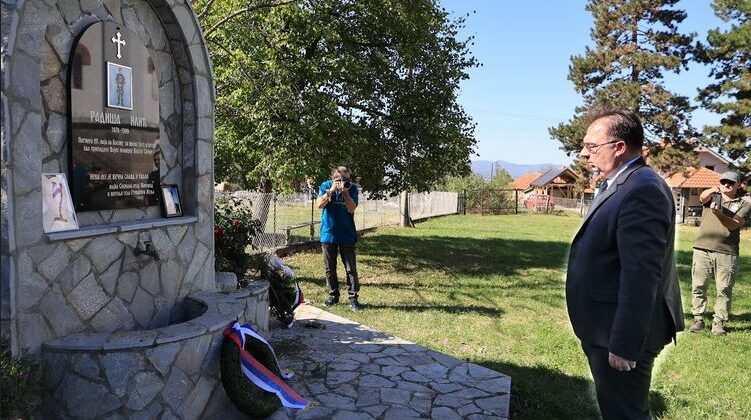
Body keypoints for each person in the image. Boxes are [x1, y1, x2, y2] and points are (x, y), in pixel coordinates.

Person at [566, 107, 684, 419]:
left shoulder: (642, 189)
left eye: (592, 147)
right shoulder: (622, 182)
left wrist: (624, 343)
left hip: (619, 333)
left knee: (625, 414)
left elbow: (641, 274)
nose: (584, 154)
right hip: (605, 326)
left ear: (619, 147)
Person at [688, 171, 749, 335]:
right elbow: (702, 198)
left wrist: (718, 213)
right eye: (723, 182)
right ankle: (698, 319)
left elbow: (733, 224)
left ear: (738, 185)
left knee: (724, 288)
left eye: (731, 182)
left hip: (727, 252)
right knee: (699, 285)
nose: (726, 185)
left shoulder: (743, 203)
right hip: (702, 248)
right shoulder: (712, 197)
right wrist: (712, 189)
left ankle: (718, 322)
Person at [316, 166, 362, 311]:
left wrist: (345, 193)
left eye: (345, 179)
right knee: (330, 268)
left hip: (347, 234)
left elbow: (351, 208)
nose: (342, 182)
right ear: (333, 178)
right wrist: (330, 191)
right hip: (328, 233)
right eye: (339, 179)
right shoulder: (325, 186)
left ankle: (353, 298)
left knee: (351, 269)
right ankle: (333, 296)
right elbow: (319, 205)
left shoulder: (351, 188)